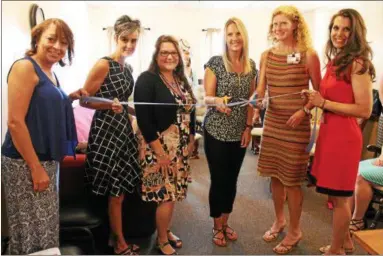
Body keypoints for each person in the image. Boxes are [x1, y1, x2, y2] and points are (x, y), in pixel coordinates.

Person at [1, 18, 87, 255]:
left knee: (44, 227)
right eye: (51, 39)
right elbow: (15, 122)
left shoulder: (49, 72)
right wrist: (35, 167)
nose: (57, 46)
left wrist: (68, 97)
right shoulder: (25, 67)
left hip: (44, 159)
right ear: (37, 38)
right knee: (30, 231)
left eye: (64, 43)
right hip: (25, 162)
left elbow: (43, 108)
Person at [304, 8, 375, 255]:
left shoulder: (358, 63)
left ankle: (336, 251)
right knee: (333, 196)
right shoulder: (336, 61)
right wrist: (315, 99)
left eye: (346, 29)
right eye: (335, 28)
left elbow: (364, 109)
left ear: (355, 33)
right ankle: (345, 242)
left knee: (342, 198)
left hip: (343, 137)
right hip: (329, 133)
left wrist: (323, 103)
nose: (339, 33)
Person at [254, 5, 321, 254]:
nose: (278, 28)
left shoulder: (308, 55)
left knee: (292, 181)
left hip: (297, 126)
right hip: (273, 123)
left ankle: (295, 230)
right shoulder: (267, 55)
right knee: (275, 177)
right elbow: (261, 89)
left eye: (283, 23)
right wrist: (257, 100)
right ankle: (279, 220)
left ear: (295, 25)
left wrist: (303, 111)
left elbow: (318, 94)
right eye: (275, 24)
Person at [80, 15, 141, 255]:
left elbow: (125, 104)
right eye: (125, 39)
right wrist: (108, 105)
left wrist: (146, 113)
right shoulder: (104, 64)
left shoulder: (129, 68)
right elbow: (84, 100)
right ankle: (120, 244)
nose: (129, 45)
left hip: (123, 131)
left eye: (134, 40)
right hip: (106, 133)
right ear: (116, 38)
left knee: (121, 190)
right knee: (115, 192)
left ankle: (113, 239)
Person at [134, 35, 197, 255]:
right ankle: (162, 240)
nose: (169, 56)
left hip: (179, 148)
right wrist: (160, 154)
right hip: (158, 147)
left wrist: (191, 139)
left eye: (173, 53)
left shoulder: (180, 80)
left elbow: (190, 111)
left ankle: (166, 230)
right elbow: (144, 119)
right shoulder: (147, 79)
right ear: (156, 55)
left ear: (179, 57)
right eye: (164, 52)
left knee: (174, 194)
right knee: (165, 195)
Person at [203, 17, 257, 247]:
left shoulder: (251, 66)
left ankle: (225, 221)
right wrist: (217, 102)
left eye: (237, 34)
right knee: (219, 179)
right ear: (225, 38)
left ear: (244, 37)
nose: (234, 38)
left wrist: (248, 127)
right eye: (230, 34)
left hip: (238, 133)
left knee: (232, 180)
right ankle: (216, 226)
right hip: (216, 131)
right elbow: (206, 98)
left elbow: (250, 101)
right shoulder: (215, 63)